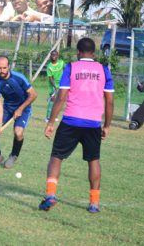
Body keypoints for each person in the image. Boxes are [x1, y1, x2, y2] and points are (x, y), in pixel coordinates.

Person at [39, 38, 114, 213]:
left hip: (71, 121)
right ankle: (94, 203)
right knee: (93, 160)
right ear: (94, 53)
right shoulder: (104, 70)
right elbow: (109, 102)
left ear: (78, 52)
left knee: (57, 157)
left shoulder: (71, 68)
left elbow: (61, 96)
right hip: (93, 123)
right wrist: (107, 125)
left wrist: (51, 122)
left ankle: (50, 195)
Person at [0, 55, 37, 168]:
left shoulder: (19, 78)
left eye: (4, 68)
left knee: (18, 132)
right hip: (7, 107)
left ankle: (14, 155)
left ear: (9, 67)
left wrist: (20, 109)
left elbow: (33, 95)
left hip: (24, 107)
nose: (2, 71)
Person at [45, 50, 65, 122]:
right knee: (52, 100)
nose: (53, 56)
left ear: (57, 56)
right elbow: (50, 79)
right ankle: (47, 117)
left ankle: (55, 116)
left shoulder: (62, 63)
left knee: (59, 100)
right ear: (50, 56)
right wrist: (55, 87)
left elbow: (66, 71)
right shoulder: (49, 66)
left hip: (61, 84)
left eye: (55, 55)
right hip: (53, 85)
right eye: (52, 55)